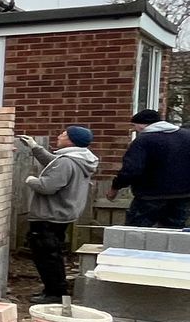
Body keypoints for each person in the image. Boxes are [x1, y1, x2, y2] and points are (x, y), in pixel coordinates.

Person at [21, 125, 99, 303]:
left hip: (49, 216)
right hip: (61, 214)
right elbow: (54, 163)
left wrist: (31, 180)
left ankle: (54, 294)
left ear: (71, 141)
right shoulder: (80, 158)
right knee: (52, 254)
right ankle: (56, 290)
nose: (59, 136)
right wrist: (35, 147)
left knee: (47, 256)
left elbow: (47, 187)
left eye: (63, 134)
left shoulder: (66, 162)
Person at [109, 109, 190, 228]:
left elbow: (132, 169)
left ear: (142, 125)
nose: (134, 130)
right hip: (183, 196)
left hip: (149, 196)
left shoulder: (144, 140)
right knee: (173, 234)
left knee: (136, 232)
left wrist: (115, 186)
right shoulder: (187, 136)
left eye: (134, 126)